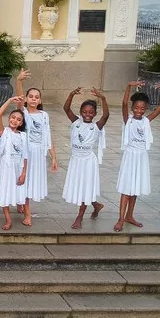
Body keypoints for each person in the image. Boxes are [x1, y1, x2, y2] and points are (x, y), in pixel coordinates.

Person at [115, 80, 160, 232]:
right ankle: (120, 218)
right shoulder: (128, 121)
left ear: (145, 109)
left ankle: (129, 216)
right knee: (126, 189)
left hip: (141, 157)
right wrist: (128, 86)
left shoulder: (146, 121)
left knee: (135, 189)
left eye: (142, 108)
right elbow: (124, 103)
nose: (139, 110)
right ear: (133, 108)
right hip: (130, 156)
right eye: (137, 108)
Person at [63, 87, 110, 230]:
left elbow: (106, 116)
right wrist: (71, 94)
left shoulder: (96, 126)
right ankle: (96, 205)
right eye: (84, 112)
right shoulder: (76, 122)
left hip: (88, 162)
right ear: (80, 112)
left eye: (90, 112)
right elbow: (66, 109)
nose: (87, 114)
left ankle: (79, 217)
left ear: (95, 113)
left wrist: (103, 98)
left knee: (85, 188)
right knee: (82, 187)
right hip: (76, 160)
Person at [14, 70, 57, 216]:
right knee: (23, 179)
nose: (33, 99)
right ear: (26, 99)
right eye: (30, 96)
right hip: (27, 152)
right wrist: (19, 81)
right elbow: (19, 99)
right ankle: (27, 215)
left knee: (31, 180)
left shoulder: (44, 116)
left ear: (40, 101)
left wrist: (53, 157)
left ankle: (21, 203)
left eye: (36, 97)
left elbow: (48, 136)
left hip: (38, 153)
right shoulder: (24, 113)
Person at [0, 97, 28, 230]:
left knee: (13, 190)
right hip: (6, 167)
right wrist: (10, 100)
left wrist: (23, 173)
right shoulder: (3, 132)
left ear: (21, 123)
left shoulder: (23, 136)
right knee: (4, 191)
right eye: (13, 117)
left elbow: (25, 156)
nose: (14, 120)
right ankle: (8, 219)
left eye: (18, 119)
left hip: (18, 168)